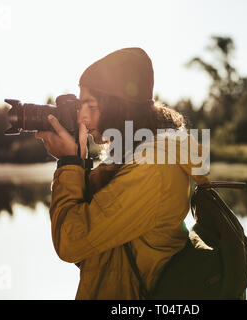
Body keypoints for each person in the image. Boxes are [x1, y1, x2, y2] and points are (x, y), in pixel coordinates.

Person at [35, 47, 210, 299]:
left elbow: (72, 242)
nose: (81, 117)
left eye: (90, 105)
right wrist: (79, 161)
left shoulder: (150, 167)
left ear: (120, 107)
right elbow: (95, 250)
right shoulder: (133, 156)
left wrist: (68, 163)